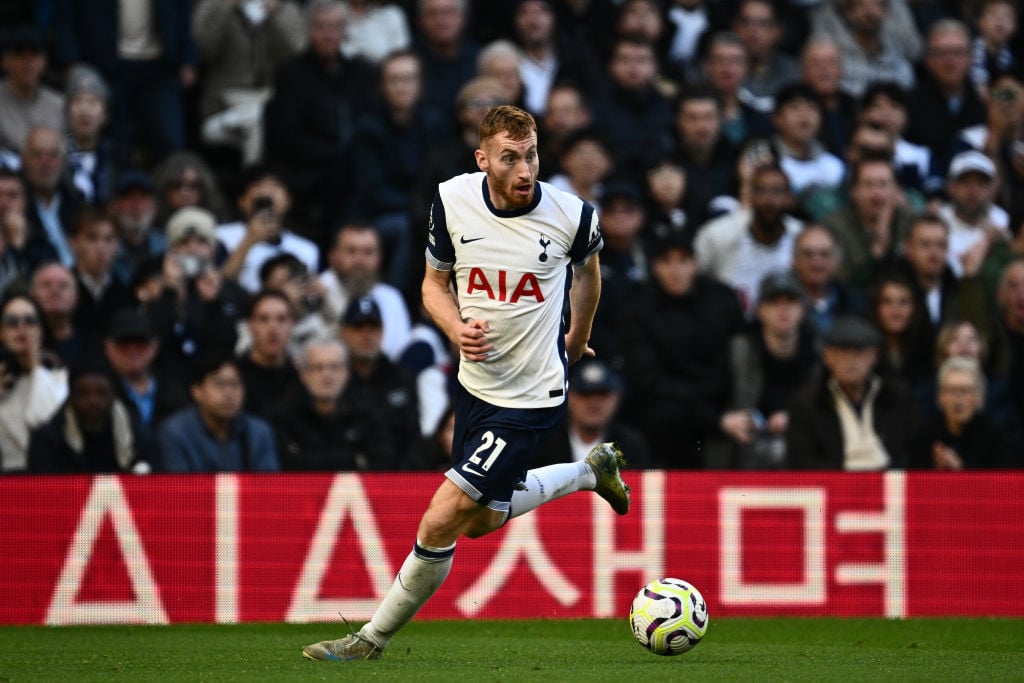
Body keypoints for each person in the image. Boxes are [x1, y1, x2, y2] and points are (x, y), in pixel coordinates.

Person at [301, 105, 629, 662]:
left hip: (531, 398)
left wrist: (576, 339)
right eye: (510, 158)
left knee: (443, 516)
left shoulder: (571, 215)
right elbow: (432, 285)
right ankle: (587, 472)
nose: (525, 170)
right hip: (475, 388)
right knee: (482, 520)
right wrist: (456, 328)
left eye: (531, 156)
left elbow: (589, 275)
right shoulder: (451, 201)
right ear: (483, 160)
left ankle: (368, 640)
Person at [619, 234, 745, 467]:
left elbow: (738, 359)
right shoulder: (638, 310)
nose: (675, 270)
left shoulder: (722, 299)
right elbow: (649, 380)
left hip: (723, 399)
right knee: (665, 418)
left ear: (695, 264)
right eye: (667, 261)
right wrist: (714, 420)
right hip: (670, 406)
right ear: (655, 266)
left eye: (683, 261)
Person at [707, 270, 820, 469]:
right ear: (759, 310)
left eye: (791, 302)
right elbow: (705, 400)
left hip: (802, 449)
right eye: (774, 302)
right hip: (744, 448)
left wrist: (795, 419)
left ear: (802, 309)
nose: (783, 310)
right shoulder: (737, 350)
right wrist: (723, 420)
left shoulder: (817, 352)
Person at [786, 315, 918, 470]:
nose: (851, 360)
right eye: (843, 352)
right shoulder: (807, 402)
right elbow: (802, 461)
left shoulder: (898, 396)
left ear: (874, 356)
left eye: (859, 352)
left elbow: (913, 450)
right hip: (835, 486)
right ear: (827, 357)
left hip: (891, 484)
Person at [191, 0, 306, 166]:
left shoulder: (284, 7)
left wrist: (275, 15)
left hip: (270, 98)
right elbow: (203, 51)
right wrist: (225, 7)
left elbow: (297, 55)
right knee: (259, 123)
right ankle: (255, 183)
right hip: (224, 104)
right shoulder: (213, 4)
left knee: (269, 124)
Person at [268, 335, 398, 470]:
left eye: (334, 367)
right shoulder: (282, 417)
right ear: (303, 374)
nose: (327, 375)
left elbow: (381, 467)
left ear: (347, 373)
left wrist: (307, 459)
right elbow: (285, 468)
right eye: (318, 368)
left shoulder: (368, 415)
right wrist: (353, 460)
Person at [694, 163, 803, 313]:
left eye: (777, 192)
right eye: (761, 191)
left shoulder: (802, 238)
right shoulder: (716, 235)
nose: (768, 200)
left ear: (789, 198)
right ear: (750, 195)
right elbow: (693, 282)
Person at [27, 355, 155, 474]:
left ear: (113, 396)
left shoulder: (137, 437)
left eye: (101, 392)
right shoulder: (47, 440)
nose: (93, 401)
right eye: (83, 393)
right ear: (70, 397)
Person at [338, 295, 423, 468]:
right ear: (344, 332)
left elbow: (413, 438)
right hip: (347, 484)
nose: (366, 335)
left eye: (373, 328)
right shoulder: (335, 378)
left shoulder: (402, 378)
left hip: (397, 481)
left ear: (383, 331)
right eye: (358, 327)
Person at [157, 353, 279, 472]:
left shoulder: (259, 432)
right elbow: (180, 489)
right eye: (219, 384)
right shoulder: (175, 433)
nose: (229, 393)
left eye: (235, 384)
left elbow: (267, 488)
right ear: (196, 391)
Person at [217, 163, 320, 293]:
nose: (266, 192)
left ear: (288, 200)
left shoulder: (307, 250)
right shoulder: (221, 236)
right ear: (241, 201)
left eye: (275, 185)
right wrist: (249, 240)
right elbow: (218, 288)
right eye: (257, 185)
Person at [532, 356, 651, 467]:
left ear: (616, 398)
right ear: (570, 397)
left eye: (602, 394)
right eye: (585, 394)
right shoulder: (544, 443)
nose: (594, 403)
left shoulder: (630, 446)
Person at [317, 221, 412, 360]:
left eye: (368, 252)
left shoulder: (392, 298)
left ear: (379, 259)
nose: (360, 260)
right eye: (351, 251)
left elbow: (399, 353)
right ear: (332, 257)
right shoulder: (318, 291)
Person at [0, 291, 68, 472]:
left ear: (41, 330)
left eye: (30, 321)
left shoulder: (59, 378)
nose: (22, 328)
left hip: (47, 479)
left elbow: (42, 420)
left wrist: (36, 367)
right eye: (12, 322)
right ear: (1, 332)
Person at [912, 357, 1010, 468]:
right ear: (939, 397)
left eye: (965, 390)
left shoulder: (994, 434)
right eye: (951, 390)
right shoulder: (925, 434)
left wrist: (961, 470)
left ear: (980, 398)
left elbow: (1003, 482)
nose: (958, 399)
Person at [237, 288, 304, 419]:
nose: (273, 328)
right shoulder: (235, 377)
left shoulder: (303, 377)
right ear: (250, 325)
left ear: (292, 324)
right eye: (263, 319)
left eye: (281, 319)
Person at [0, 26, 64, 156]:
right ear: (5, 61)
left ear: (44, 62)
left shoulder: (59, 105)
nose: (28, 62)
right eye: (20, 54)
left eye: (34, 54)